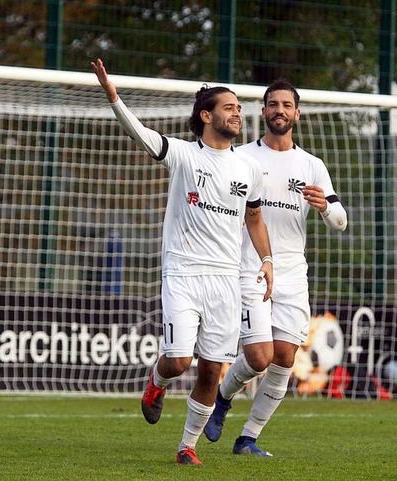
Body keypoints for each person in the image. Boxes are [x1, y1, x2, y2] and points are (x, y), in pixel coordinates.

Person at [90, 59, 274, 466]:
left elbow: (255, 218)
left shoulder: (250, 168)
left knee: (212, 372)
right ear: (207, 116)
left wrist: (266, 259)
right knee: (177, 360)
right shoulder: (185, 155)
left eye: (239, 109)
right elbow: (143, 136)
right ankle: (156, 383)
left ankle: (185, 447)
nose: (237, 113)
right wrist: (114, 98)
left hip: (227, 280)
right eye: (229, 108)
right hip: (183, 272)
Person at [203, 78, 348, 457]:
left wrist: (326, 207)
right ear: (264, 111)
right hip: (249, 268)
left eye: (286, 105)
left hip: (292, 274)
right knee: (259, 357)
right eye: (272, 104)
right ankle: (222, 396)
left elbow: (341, 220)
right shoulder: (243, 158)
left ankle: (248, 438)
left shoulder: (312, 165)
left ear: (296, 114)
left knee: (285, 357)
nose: (279, 110)